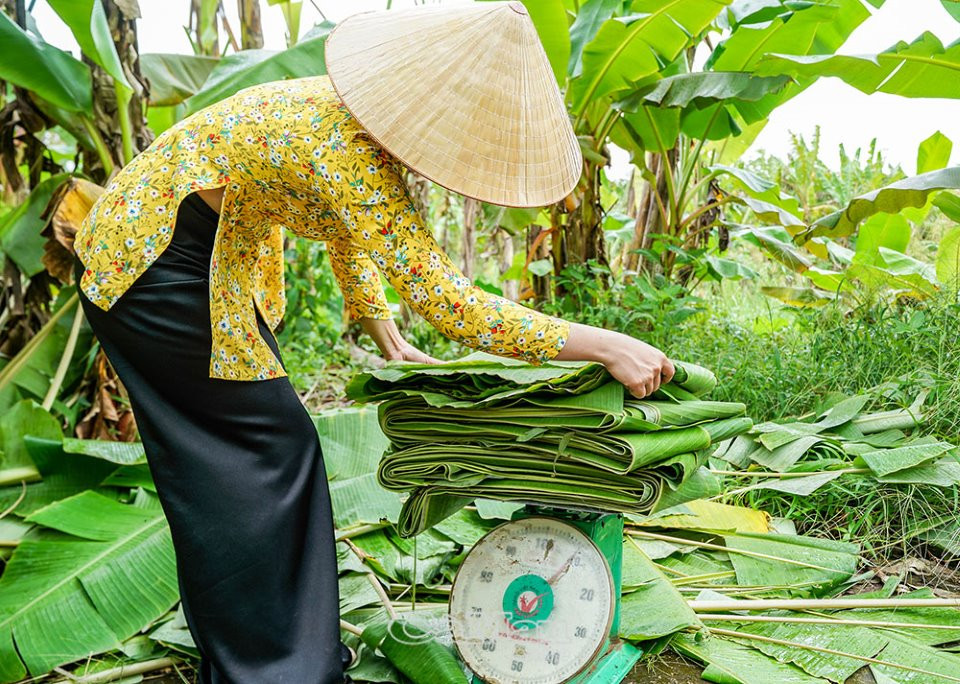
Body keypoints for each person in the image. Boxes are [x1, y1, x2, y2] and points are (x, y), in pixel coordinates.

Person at [71, 2, 674, 682]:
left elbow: (341, 222)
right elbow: (450, 305)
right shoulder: (346, 146)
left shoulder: (342, 120)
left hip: (201, 258)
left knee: (244, 459)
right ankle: (275, 668)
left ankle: (275, 658)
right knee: (261, 456)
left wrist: (375, 320)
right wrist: (602, 344)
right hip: (153, 266)